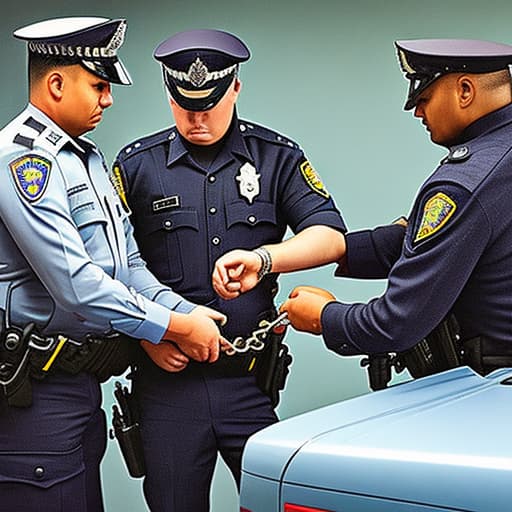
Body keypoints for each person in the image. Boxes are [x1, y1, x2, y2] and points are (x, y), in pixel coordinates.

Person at [114, 28, 348, 511]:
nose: (197, 118)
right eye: (185, 105)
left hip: (247, 382)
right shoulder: (136, 167)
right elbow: (107, 269)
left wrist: (266, 259)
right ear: (168, 91)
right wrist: (145, 335)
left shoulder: (276, 157)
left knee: (274, 502)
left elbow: (330, 236)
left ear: (235, 87)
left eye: (210, 104)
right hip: (166, 389)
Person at [0, 17, 227, 512]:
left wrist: (180, 312)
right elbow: (76, 285)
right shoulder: (23, 160)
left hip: (77, 387)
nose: (108, 100)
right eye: (99, 85)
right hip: (33, 395)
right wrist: (173, 326)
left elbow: (126, 266)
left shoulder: (85, 159)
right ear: (56, 84)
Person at [279, 38, 512, 378]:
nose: (418, 112)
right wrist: (342, 249)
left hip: (490, 393)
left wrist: (324, 316)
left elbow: (397, 322)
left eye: (424, 98)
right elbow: (461, 242)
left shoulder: (466, 183)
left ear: (464, 90)